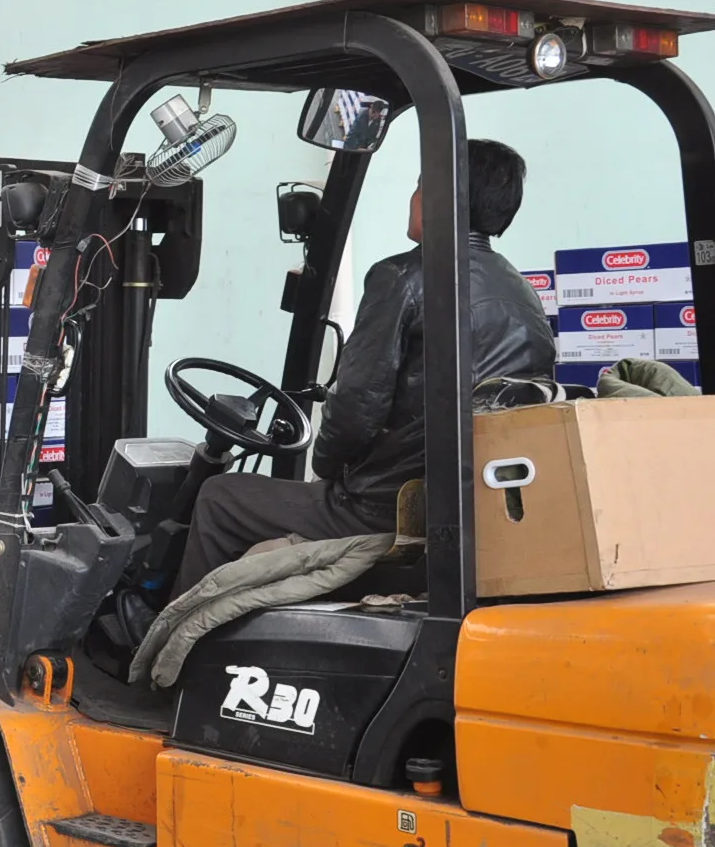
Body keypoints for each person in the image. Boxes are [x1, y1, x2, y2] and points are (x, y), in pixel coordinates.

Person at [170, 139, 555, 595]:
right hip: (465, 504)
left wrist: (327, 467)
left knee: (220, 497)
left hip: (386, 507)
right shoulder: (522, 292)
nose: (413, 198)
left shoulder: (404, 278)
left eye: (418, 186)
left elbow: (356, 407)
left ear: (439, 196)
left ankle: (175, 645)